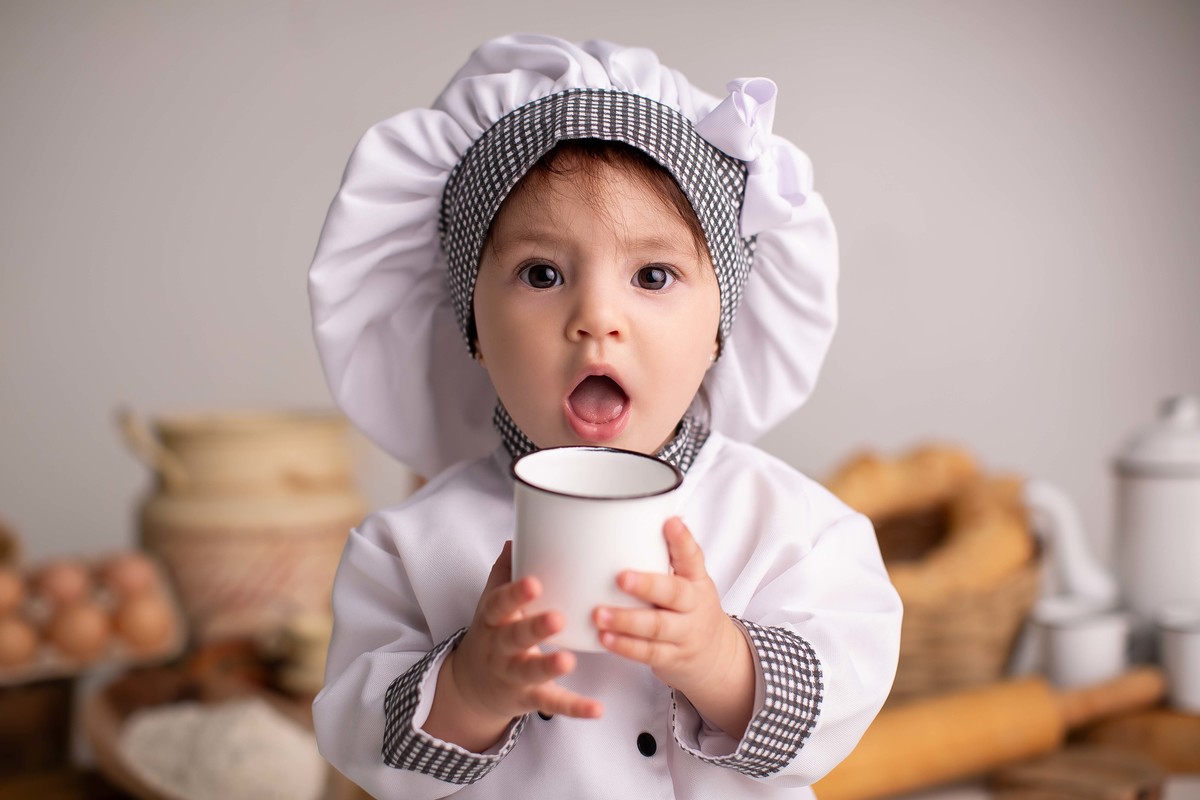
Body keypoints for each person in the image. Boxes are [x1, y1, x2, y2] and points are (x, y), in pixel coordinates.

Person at [307, 34, 902, 799]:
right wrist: (471, 688)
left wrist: (721, 661)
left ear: (722, 325)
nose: (596, 317)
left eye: (653, 275)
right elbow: (361, 738)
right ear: (473, 328)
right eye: (542, 273)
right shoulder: (408, 546)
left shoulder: (791, 527)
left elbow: (845, 689)